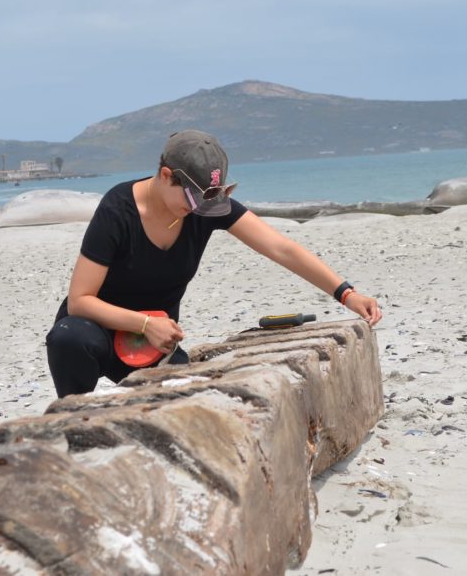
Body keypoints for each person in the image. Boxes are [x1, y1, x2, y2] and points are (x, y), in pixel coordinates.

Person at [45, 129, 382, 397]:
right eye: (192, 197)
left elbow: (281, 248)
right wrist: (145, 323)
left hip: (154, 345)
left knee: (182, 399)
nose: (199, 209)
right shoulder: (118, 210)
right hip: (96, 333)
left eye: (211, 198)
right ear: (166, 175)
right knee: (69, 337)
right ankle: (73, 426)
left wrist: (346, 293)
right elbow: (80, 301)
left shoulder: (204, 206)